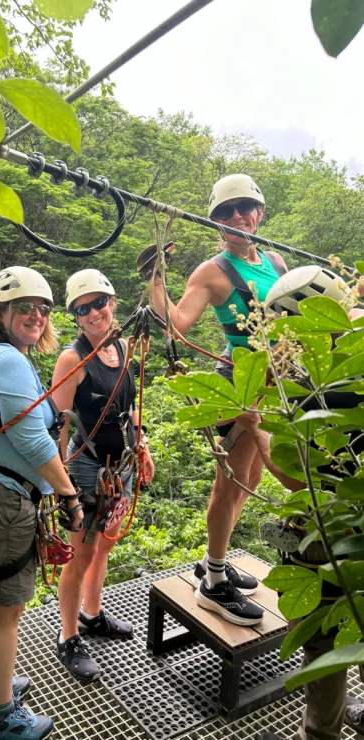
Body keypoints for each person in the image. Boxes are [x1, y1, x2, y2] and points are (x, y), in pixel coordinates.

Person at [141, 174, 288, 626]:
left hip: (275, 382)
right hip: (237, 386)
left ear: (259, 212)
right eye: (226, 212)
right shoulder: (213, 271)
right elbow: (178, 325)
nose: (238, 216)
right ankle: (214, 582)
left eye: (245, 207)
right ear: (217, 223)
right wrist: (155, 278)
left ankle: (212, 560)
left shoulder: (277, 262)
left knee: (254, 475)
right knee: (231, 481)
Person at [234, 266, 364, 740]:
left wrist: (254, 422)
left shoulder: (316, 391)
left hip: (330, 536)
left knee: (324, 641)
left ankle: (319, 735)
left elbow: (295, 476)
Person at [0, 266, 83, 740]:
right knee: (8, 609)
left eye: (42, 309)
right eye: (23, 307)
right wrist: (68, 493)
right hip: (3, 499)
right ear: (0, 314)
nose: (35, 315)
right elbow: (32, 442)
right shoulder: (7, 361)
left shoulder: (1, 355)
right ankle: (0, 716)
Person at [51, 269, 154, 681]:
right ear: (75, 316)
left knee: (104, 545)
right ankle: (68, 635)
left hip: (121, 465)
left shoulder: (124, 347)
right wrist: (58, 484)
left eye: (99, 303)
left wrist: (141, 442)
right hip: (87, 467)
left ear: (113, 303)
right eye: (83, 308)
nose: (93, 313)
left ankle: (92, 614)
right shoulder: (73, 358)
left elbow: (130, 406)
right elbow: (59, 424)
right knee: (80, 554)